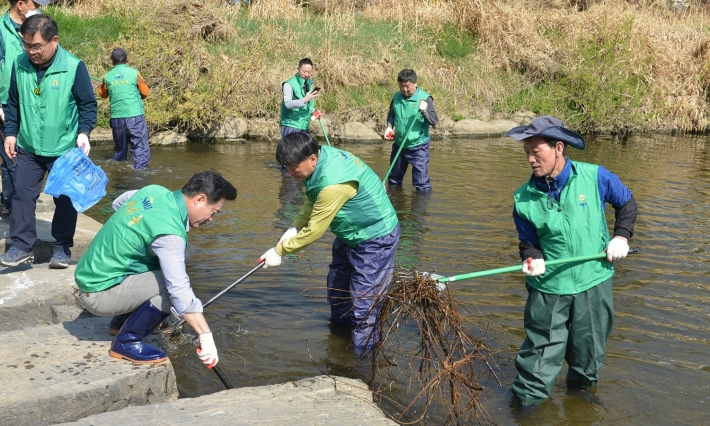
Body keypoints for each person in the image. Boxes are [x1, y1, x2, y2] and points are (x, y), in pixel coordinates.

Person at [508, 116, 638, 406]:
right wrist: (532, 258)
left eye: (535, 151)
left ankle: (580, 402)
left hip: (594, 280)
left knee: (588, 358)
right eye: (526, 152)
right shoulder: (523, 198)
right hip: (549, 287)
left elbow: (627, 203)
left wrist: (621, 237)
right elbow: (528, 241)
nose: (530, 158)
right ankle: (525, 409)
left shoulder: (596, 177)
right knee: (538, 364)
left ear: (558, 147)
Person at [74, 171, 237, 366]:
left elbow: (119, 202)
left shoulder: (154, 192)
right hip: (98, 294)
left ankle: (121, 323)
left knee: (160, 266)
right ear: (200, 199)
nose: (211, 219)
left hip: (90, 278)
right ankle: (126, 341)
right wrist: (205, 335)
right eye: (214, 212)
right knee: (171, 285)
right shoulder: (170, 233)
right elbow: (179, 291)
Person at [260, 133, 400, 352]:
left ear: (312, 159)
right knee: (338, 291)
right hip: (349, 232)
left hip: (375, 237)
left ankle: (363, 361)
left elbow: (315, 230)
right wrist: (294, 227)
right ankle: (339, 342)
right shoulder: (318, 161)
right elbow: (312, 199)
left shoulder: (333, 181)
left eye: (292, 167)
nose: (288, 173)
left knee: (364, 304)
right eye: (285, 167)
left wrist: (280, 252)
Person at [0, 14, 96, 268]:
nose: (31, 52)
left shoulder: (74, 67)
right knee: (21, 194)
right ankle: (21, 246)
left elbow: (88, 105)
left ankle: (62, 248)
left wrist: (84, 132)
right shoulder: (19, 64)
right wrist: (10, 132)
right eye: (26, 45)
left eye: (36, 46)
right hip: (29, 146)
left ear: (54, 41)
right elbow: (12, 103)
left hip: (63, 147)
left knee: (65, 198)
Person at [0, 0, 50, 216]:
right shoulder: (2, 31)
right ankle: (13, 206)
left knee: (28, 155)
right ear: (20, 4)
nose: (39, 6)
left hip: (34, 101)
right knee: (11, 156)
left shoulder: (41, 26)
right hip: (5, 102)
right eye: (35, 3)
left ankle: (14, 201)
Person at [384, 69, 438, 193]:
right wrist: (389, 127)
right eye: (401, 86)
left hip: (418, 146)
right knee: (393, 179)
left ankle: (420, 211)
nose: (404, 90)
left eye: (407, 86)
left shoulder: (425, 98)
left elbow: (434, 121)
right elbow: (391, 114)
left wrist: (425, 111)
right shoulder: (397, 97)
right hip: (399, 145)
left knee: (421, 184)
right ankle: (395, 206)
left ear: (415, 83)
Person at [98, 47, 150, 169]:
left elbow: (103, 95)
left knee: (120, 151)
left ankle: (120, 177)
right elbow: (145, 93)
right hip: (134, 116)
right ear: (127, 60)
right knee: (140, 148)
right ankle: (140, 176)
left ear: (112, 61)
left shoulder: (107, 76)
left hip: (117, 119)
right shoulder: (134, 73)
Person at [280, 57, 319, 139]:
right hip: (290, 126)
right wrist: (305, 100)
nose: (306, 75)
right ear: (298, 69)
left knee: (303, 152)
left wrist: (314, 111)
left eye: (309, 72)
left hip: (304, 126)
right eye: (304, 71)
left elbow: (306, 105)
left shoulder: (309, 84)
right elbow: (287, 104)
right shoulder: (289, 84)